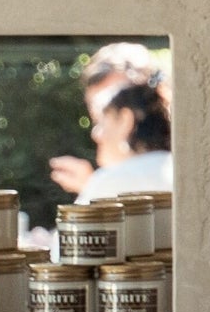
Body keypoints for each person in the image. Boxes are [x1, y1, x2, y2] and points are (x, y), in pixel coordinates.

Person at [46, 43, 165, 198]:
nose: (97, 134)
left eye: (115, 101)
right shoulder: (110, 180)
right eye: (98, 116)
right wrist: (92, 186)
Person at [75, 83, 171, 198]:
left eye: (100, 122)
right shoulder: (183, 170)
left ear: (125, 120)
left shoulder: (109, 182)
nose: (96, 135)